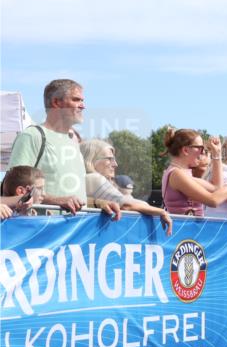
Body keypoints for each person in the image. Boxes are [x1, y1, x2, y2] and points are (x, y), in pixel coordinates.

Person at [8, 78, 113, 215]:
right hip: (44, 227)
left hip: (77, 226)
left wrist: (98, 203)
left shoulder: (73, 142)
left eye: (82, 100)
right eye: (76, 100)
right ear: (56, 102)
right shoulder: (32, 136)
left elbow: (72, 197)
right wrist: (56, 201)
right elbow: (13, 189)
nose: (82, 106)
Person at [79, 139, 174, 235]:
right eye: (109, 159)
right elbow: (126, 205)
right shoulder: (94, 178)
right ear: (91, 160)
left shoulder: (86, 179)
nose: (115, 164)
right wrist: (161, 212)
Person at [161, 129, 227, 216]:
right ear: (185, 150)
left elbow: (216, 187)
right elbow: (214, 200)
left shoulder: (179, 173)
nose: (203, 152)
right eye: (200, 148)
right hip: (186, 225)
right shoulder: (177, 174)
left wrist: (216, 153)